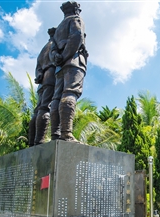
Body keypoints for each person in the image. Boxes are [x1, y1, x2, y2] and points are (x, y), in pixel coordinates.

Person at [49, 1, 88, 142]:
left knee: (56, 98)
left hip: (59, 66)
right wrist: (66, 56)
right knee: (70, 92)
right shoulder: (76, 20)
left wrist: (57, 59)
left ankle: (55, 135)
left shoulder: (59, 28)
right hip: (74, 61)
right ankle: (66, 133)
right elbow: (77, 36)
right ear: (76, 10)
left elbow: (52, 50)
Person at [29, 27, 56, 146]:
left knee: (38, 109)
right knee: (46, 107)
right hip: (51, 76)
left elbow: (38, 69)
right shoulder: (54, 45)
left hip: (41, 81)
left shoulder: (43, 49)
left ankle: (32, 142)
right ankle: (39, 140)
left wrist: (40, 75)